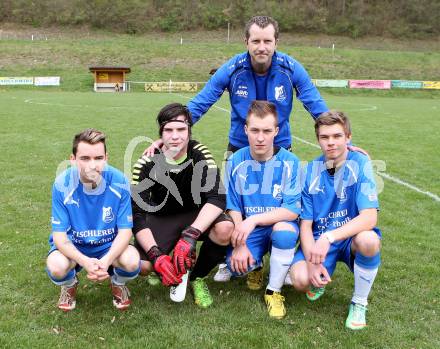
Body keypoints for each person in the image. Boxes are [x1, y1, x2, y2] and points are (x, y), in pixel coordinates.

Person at [131, 103, 234, 308]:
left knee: (225, 228)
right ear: (160, 133)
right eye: (168, 130)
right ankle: (164, 267)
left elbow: (217, 198)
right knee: (140, 265)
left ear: (189, 131)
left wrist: (190, 235)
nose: (175, 136)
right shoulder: (146, 162)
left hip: (197, 214)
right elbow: (137, 214)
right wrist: (156, 255)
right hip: (163, 217)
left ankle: (197, 276)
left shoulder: (200, 154)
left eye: (181, 129)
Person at [288, 111, 381, 330]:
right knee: (300, 280)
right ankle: (320, 275)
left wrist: (330, 237)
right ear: (318, 139)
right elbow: (306, 225)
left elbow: (369, 216)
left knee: (369, 241)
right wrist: (312, 263)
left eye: (337, 136)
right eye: (325, 137)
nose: (331, 142)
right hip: (319, 240)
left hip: (348, 238)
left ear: (348, 137)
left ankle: (359, 302)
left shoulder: (361, 163)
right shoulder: (310, 170)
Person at [46, 128, 140, 312]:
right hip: (76, 245)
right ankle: (70, 283)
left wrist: (105, 261)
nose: (92, 165)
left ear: (106, 158)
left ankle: (118, 283)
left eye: (98, 158)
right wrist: (85, 261)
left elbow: (125, 232)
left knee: (132, 261)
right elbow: (60, 237)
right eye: (85, 158)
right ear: (72, 159)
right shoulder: (62, 185)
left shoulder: (119, 181)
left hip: (108, 245)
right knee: (56, 266)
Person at [225, 101, 302, 319]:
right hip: (252, 230)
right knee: (236, 266)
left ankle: (273, 291)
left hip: (279, 224)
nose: (260, 138)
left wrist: (253, 220)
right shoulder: (235, 161)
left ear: (276, 131)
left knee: (284, 232)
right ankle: (256, 265)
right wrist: (240, 244)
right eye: (255, 130)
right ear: (245, 129)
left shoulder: (290, 162)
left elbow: (291, 211)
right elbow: (233, 206)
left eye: (267, 131)